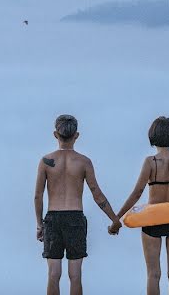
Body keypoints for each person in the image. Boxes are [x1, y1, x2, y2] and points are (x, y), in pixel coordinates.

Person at [35, 114, 121, 295]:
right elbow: (97, 194)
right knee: (75, 275)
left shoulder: (45, 161)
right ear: (77, 136)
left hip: (53, 217)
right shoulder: (83, 162)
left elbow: (38, 196)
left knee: (53, 274)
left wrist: (39, 224)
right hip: (75, 218)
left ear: (55, 135)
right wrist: (114, 220)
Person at [112, 116, 169, 295]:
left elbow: (136, 193)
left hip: (152, 221)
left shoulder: (150, 162)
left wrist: (116, 218)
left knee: (153, 274)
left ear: (153, 136)